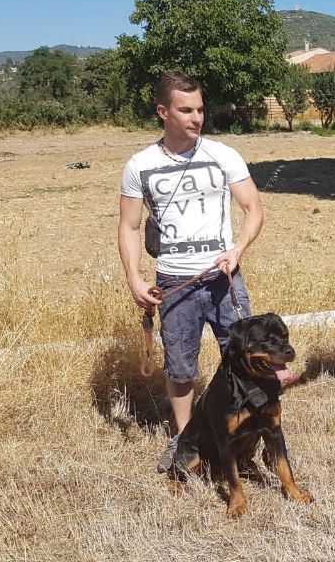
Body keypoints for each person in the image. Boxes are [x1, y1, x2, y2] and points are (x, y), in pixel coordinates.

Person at [118, 72, 263, 473]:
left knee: (243, 359)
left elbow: (253, 209)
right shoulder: (140, 165)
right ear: (163, 112)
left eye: (200, 109)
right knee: (180, 367)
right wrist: (135, 280)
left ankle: (243, 436)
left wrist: (236, 251)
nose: (197, 117)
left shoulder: (224, 155)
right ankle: (185, 441)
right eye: (186, 110)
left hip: (224, 280)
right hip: (173, 284)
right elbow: (129, 226)